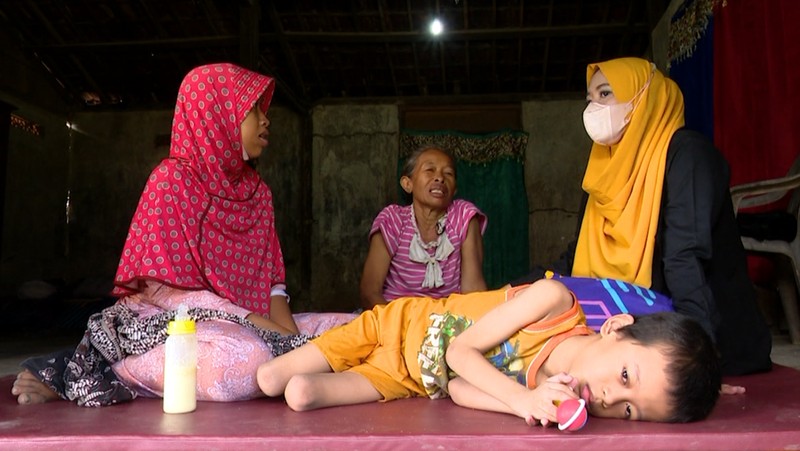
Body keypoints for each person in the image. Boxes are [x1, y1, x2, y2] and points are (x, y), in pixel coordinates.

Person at [11, 62, 353, 406]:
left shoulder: (258, 194)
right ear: (214, 115)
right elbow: (163, 291)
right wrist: (267, 333)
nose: (265, 119)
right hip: (169, 323)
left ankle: (284, 358)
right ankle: (114, 372)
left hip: (255, 323)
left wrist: (293, 345)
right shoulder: (171, 181)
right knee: (245, 362)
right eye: (251, 110)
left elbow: (271, 286)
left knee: (356, 330)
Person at [511, 57, 772, 377]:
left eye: (605, 94)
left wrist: (697, 364)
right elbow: (575, 256)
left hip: (703, 339)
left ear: (643, 98)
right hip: (624, 333)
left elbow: (684, 257)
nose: (593, 108)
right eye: (590, 98)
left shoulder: (687, 154)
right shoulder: (604, 168)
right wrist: (516, 293)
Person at [257, 278, 721, 425]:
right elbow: (460, 353)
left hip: (402, 380)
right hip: (394, 324)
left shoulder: (548, 392)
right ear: (617, 327)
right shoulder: (554, 303)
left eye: (628, 412)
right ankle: (328, 330)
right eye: (624, 379)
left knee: (299, 394)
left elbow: (458, 387)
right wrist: (520, 398)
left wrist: (530, 408)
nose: (606, 398)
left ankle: (319, 351)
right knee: (269, 380)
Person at [359, 144, 487, 309]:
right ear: (408, 184)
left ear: (454, 189)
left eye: (448, 173)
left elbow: (473, 291)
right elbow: (369, 292)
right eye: (429, 170)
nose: (440, 178)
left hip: (445, 322)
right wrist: (397, 328)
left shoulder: (464, 216)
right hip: (394, 318)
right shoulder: (393, 219)